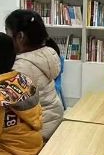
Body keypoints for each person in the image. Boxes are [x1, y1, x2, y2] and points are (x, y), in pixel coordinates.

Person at [5, 8, 64, 139]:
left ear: (20, 37)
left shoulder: (21, 67)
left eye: (7, 34)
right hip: (54, 118)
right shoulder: (48, 53)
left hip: (38, 130)